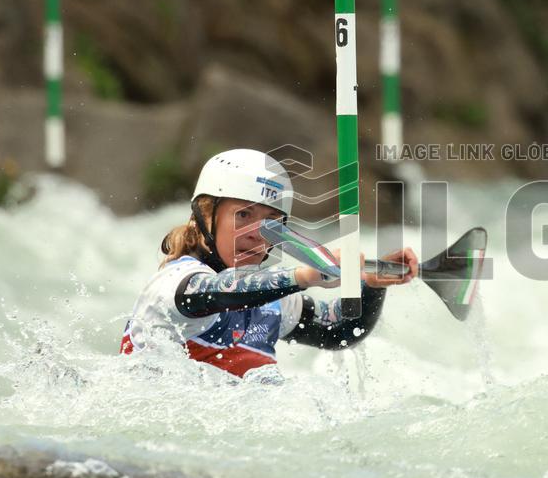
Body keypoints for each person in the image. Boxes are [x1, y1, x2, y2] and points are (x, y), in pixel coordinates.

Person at [120, 148, 418, 377]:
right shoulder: (175, 284)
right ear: (205, 216)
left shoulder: (270, 303)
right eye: (243, 216)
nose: (256, 234)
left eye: (272, 222)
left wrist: (371, 285)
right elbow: (219, 291)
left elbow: (338, 330)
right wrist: (304, 275)